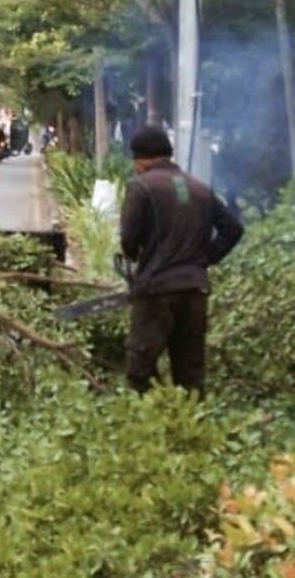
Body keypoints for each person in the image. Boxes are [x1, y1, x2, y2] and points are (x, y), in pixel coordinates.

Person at [118, 125, 244, 394]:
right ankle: (189, 428)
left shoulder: (140, 187)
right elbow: (233, 229)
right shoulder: (199, 188)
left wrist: (137, 260)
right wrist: (204, 259)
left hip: (156, 290)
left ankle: (149, 423)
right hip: (194, 290)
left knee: (140, 370)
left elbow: (128, 240)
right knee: (190, 374)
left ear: (141, 159)